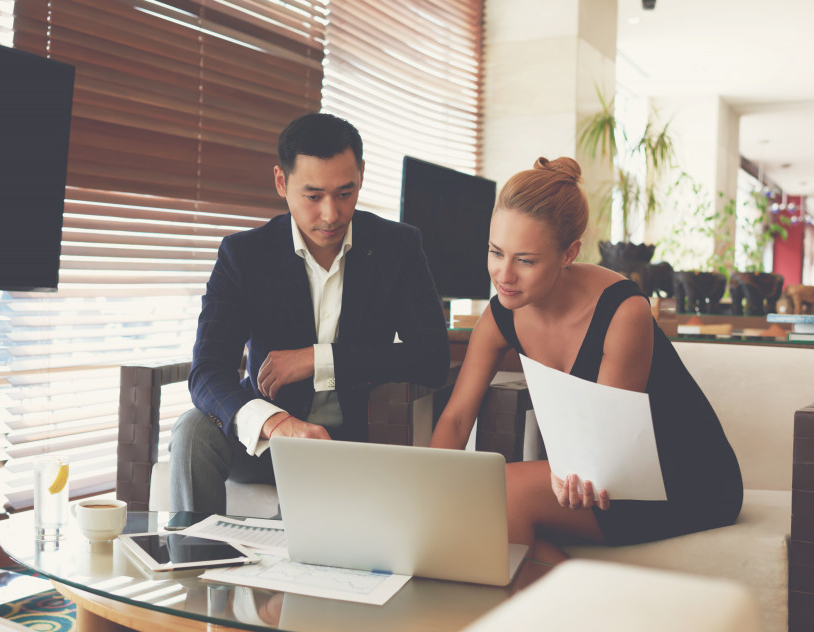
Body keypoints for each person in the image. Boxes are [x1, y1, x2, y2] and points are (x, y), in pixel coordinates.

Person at [429, 156, 743, 564]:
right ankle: (578, 607)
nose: (504, 274)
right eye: (495, 252)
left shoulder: (623, 310)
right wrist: (430, 489)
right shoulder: (501, 313)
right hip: (594, 471)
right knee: (465, 500)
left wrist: (565, 475)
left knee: (494, 491)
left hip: (684, 478)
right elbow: (456, 419)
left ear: (568, 253)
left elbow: (606, 455)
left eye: (525, 260)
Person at [168, 112, 450, 516]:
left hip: (350, 441)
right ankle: (193, 559)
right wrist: (276, 423)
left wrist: (319, 360)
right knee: (193, 429)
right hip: (268, 437)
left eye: (345, 193)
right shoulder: (244, 256)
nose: (331, 214)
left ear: (362, 175)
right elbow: (208, 370)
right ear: (282, 182)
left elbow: (432, 357)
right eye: (313, 196)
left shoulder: (398, 247)